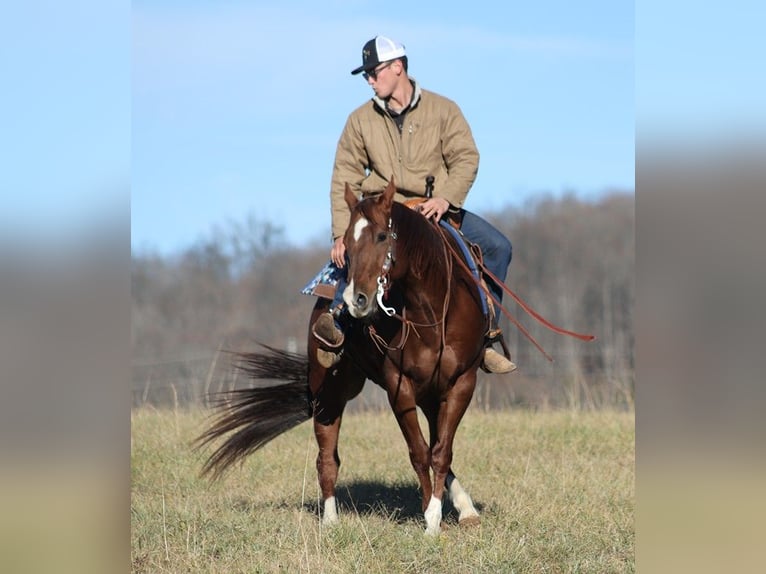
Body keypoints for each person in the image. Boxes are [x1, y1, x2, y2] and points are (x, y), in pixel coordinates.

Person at [312, 35, 516, 374]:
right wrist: (339, 233)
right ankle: (337, 326)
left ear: (397, 67)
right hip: (382, 211)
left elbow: (466, 157)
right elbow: (344, 176)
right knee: (358, 251)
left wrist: (445, 198)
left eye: (374, 72)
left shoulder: (444, 109)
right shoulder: (359, 120)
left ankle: (487, 335)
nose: (370, 80)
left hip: (433, 209)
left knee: (498, 247)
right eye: (366, 75)